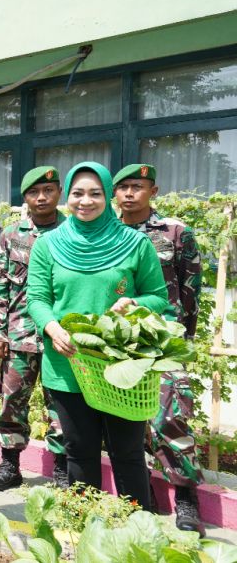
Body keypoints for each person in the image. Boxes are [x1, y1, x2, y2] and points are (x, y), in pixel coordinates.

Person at [27, 162, 169, 512]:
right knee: (79, 451)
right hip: (68, 363)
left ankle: (137, 528)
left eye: (94, 193)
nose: (85, 201)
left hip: (121, 367)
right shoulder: (48, 245)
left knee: (128, 454)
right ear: (67, 197)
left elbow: (160, 297)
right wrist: (51, 326)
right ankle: (84, 527)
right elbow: (37, 298)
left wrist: (136, 302)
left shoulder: (135, 243)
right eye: (77, 193)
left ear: (108, 195)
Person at [114, 163, 204, 533]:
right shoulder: (108, 233)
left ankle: (185, 500)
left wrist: (182, 334)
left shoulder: (176, 232)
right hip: (118, 340)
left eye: (138, 186)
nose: (130, 193)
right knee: (124, 420)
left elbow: (191, 287)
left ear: (154, 190)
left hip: (164, 338)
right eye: (123, 187)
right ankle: (143, 497)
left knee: (170, 416)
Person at [0, 166, 67, 491]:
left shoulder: (72, 231)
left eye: (48, 190)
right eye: (34, 192)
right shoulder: (11, 235)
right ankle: (10, 466)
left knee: (60, 406)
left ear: (59, 192)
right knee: (11, 403)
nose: (41, 197)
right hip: (18, 335)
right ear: (25, 197)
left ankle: (61, 470)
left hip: (60, 336)